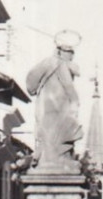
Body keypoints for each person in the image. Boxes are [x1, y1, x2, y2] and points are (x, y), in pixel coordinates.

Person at [24, 31, 83, 172]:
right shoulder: (49, 63)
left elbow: (71, 93)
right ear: (59, 50)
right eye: (68, 51)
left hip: (63, 112)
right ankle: (51, 163)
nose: (71, 55)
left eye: (72, 51)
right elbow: (31, 84)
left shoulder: (67, 68)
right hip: (50, 111)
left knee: (62, 139)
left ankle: (60, 161)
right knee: (53, 140)